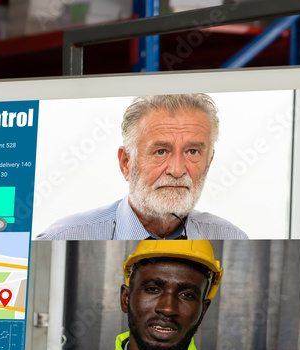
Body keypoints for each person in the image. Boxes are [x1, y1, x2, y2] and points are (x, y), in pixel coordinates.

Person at [36, 94, 248, 241]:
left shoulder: (232, 238)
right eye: (161, 151)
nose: (177, 170)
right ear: (126, 163)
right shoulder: (63, 237)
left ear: (209, 162)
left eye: (192, 151)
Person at [101, 240, 259, 350]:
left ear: (203, 310)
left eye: (187, 295)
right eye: (153, 289)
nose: (168, 309)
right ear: (126, 299)